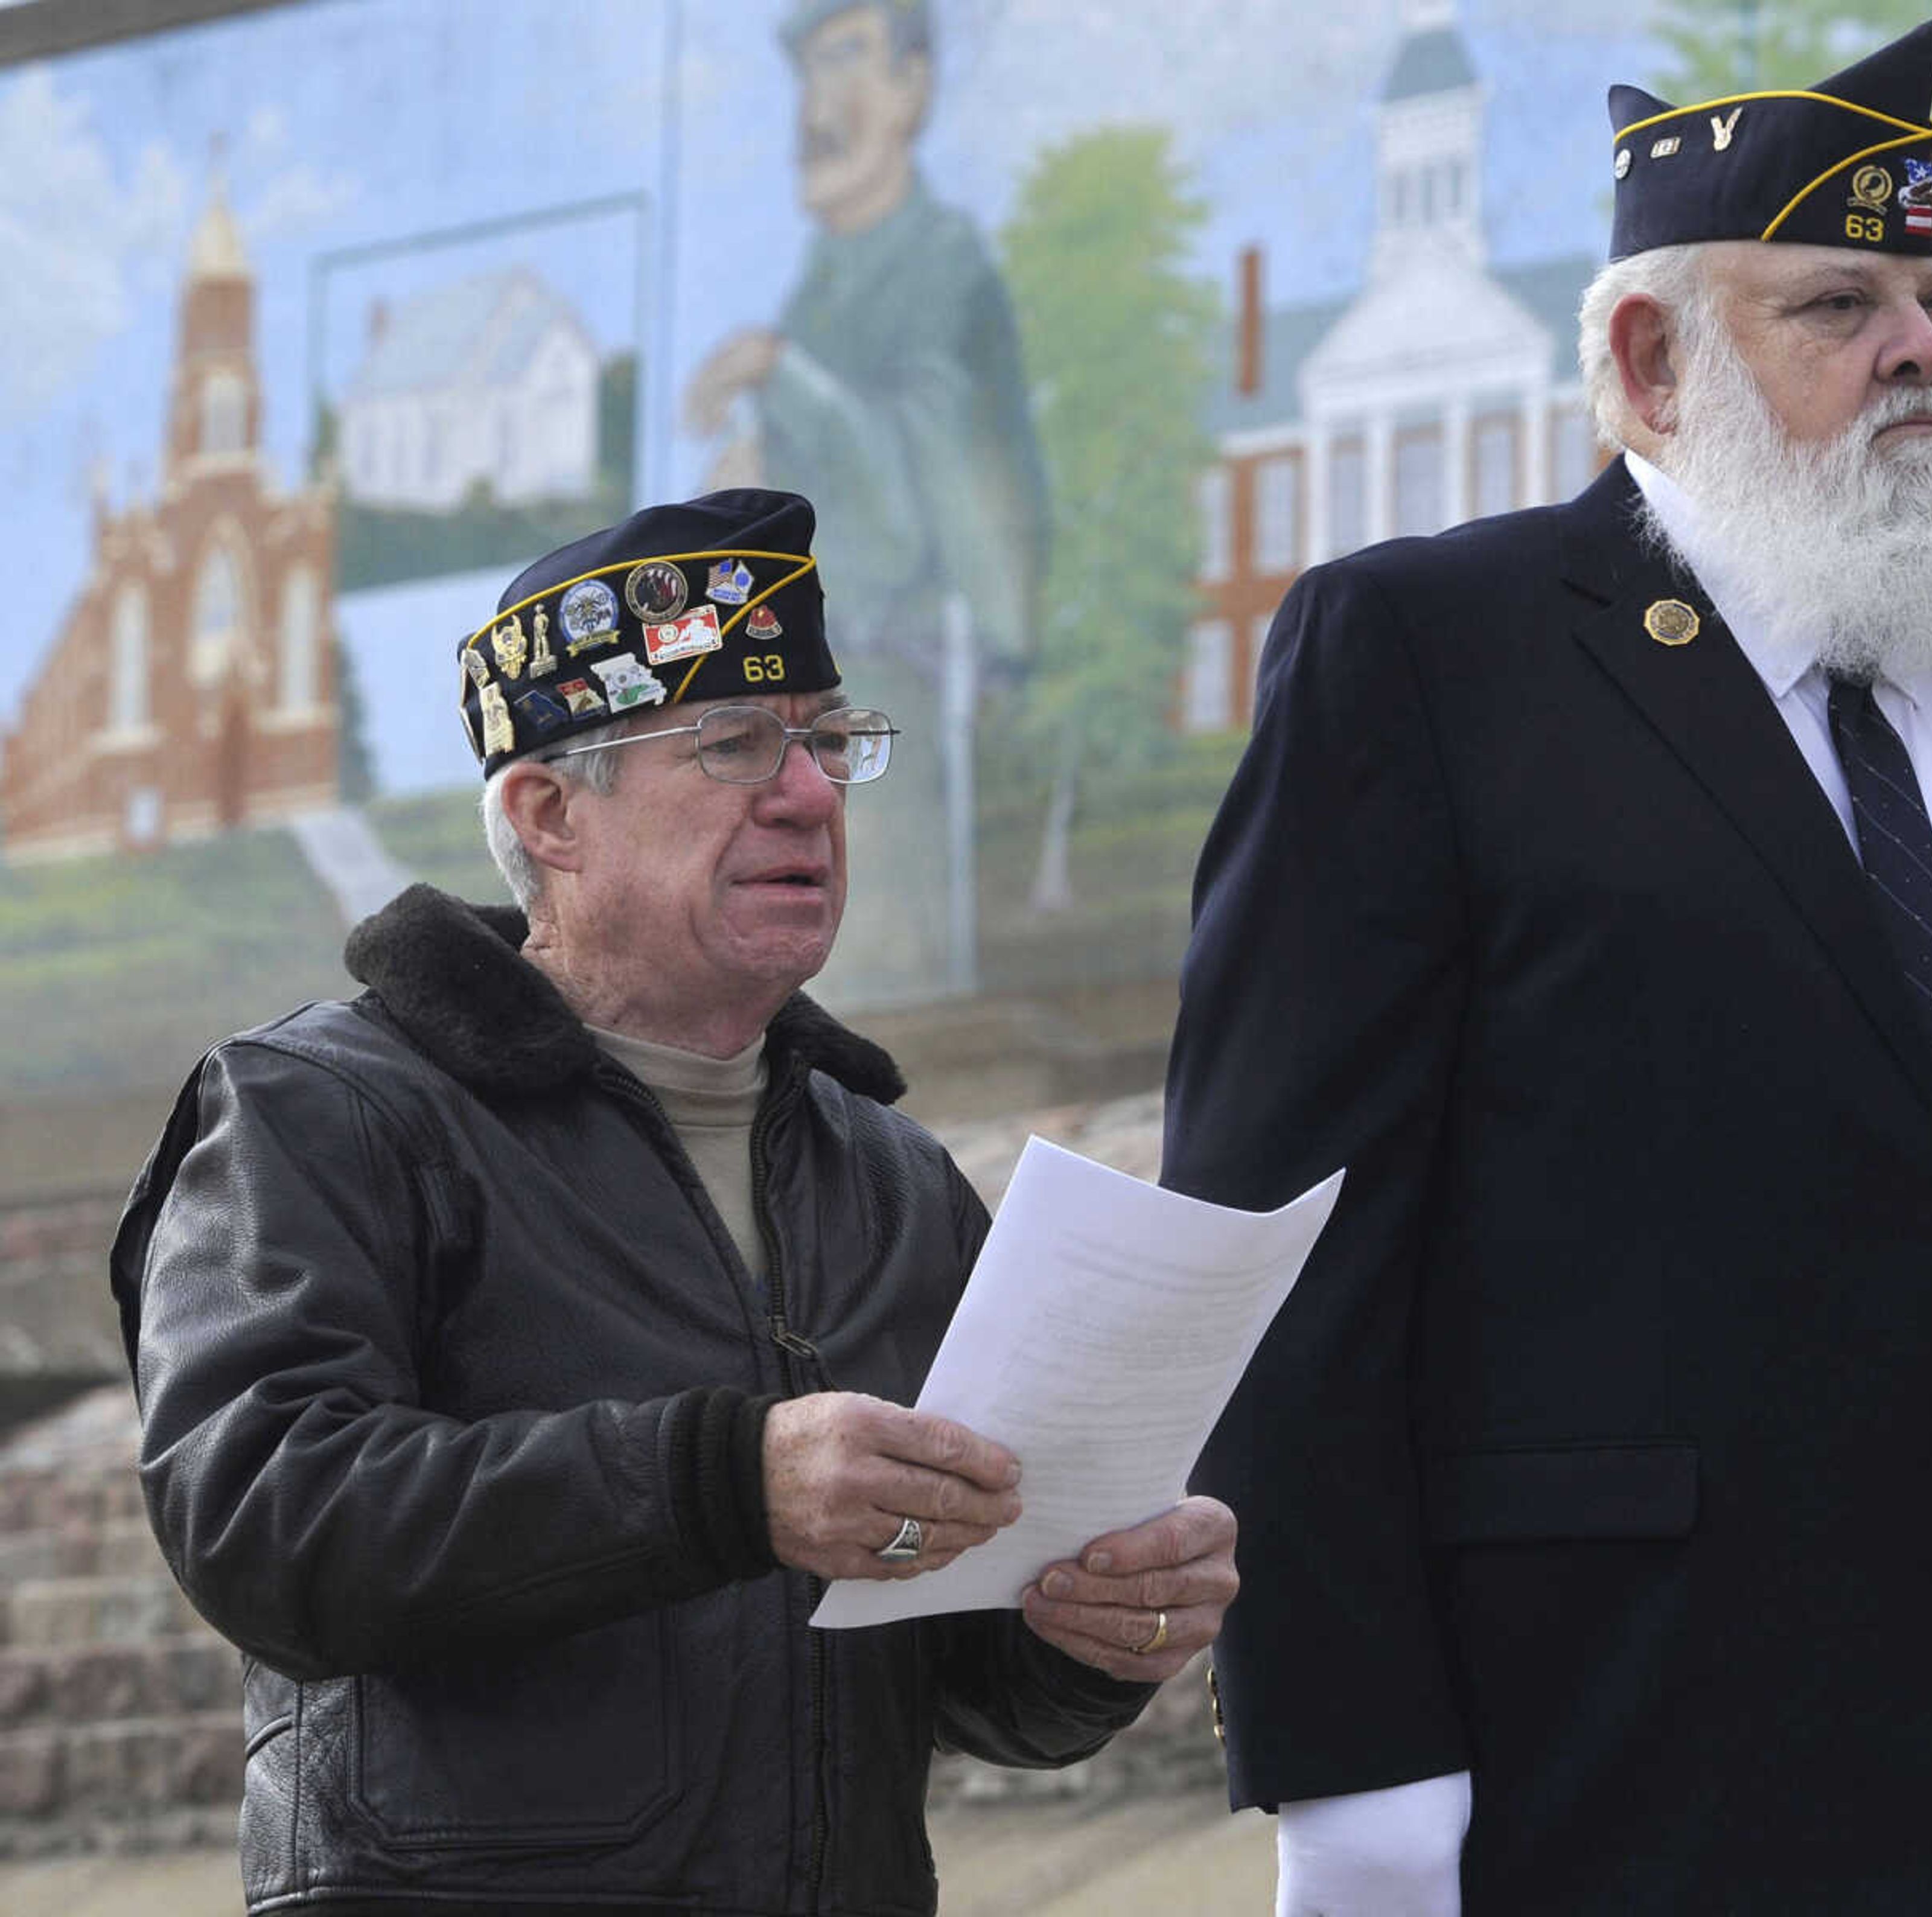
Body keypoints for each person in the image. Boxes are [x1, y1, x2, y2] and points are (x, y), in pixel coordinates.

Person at [1163, 22, 1932, 1916]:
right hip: (1608, 1765)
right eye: (1838, 303)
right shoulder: (1430, 655)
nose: (1922, 352)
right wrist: (1358, 1770)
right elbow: (1280, 1251)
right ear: (1651, 363)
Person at [112, 489, 1235, 1916]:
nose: (812, 793)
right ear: (548, 813)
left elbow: (961, 1684)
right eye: (735, 743)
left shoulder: (888, 1174)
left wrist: (1098, 1633)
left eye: (830, 741)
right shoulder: (323, 1108)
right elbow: (264, 1517)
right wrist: (723, 1481)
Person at [685, 0, 1046, 999]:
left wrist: (780, 373)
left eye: (848, 60)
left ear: (914, 88)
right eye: (808, 72)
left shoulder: (941, 263)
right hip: (815, 723)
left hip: (896, 712)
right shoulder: (829, 281)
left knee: (878, 1029)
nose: (818, 106)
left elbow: (914, 502)